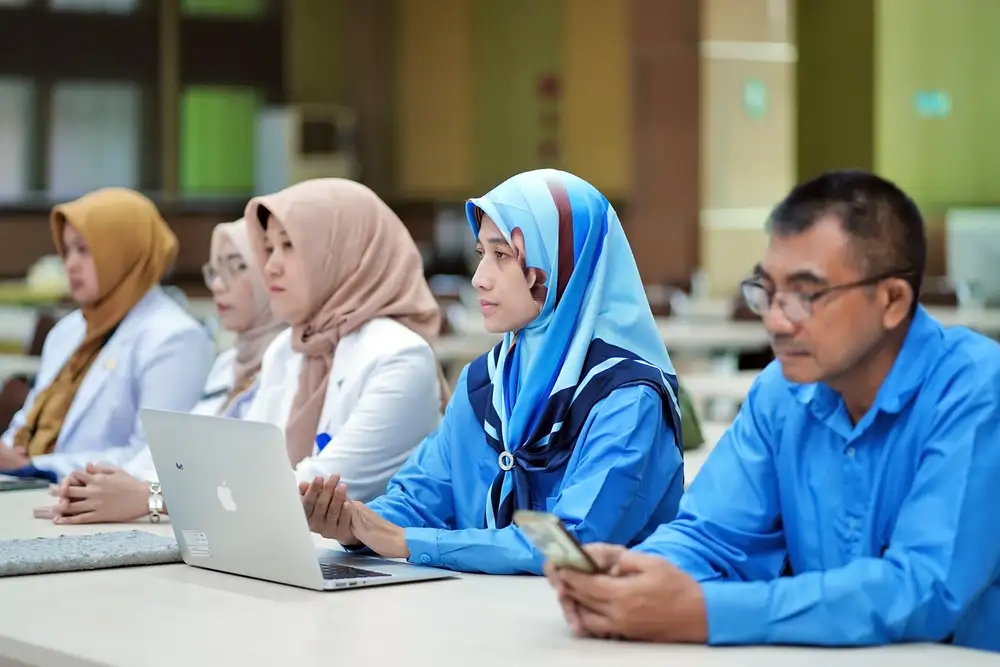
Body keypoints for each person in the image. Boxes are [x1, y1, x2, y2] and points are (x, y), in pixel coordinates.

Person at [546, 169, 1000, 652]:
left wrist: (704, 613)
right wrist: (636, 576)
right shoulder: (782, 391)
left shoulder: (975, 388)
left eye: (806, 295)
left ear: (891, 300)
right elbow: (712, 536)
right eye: (767, 291)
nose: (778, 321)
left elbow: (922, 590)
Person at [300, 169, 686, 575]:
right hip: (489, 606)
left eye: (502, 255)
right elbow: (419, 498)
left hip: (591, 612)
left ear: (562, 264)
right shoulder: (485, 382)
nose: (479, 279)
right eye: (481, 253)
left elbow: (572, 545)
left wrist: (410, 542)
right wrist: (353, 524)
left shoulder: (627, 396)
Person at [48, 218, 285, 524]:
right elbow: (175, 451)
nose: (217, 284)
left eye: (238, 267)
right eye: (215, 271)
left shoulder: (291, 362)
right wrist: (100, 486)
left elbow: (261, 486)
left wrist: (147, 497)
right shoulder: (229, 364)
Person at [243, 178, 446, 502]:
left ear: (344, 254)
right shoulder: (288, 347)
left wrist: (182, 491)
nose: (270, 267)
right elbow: (243, 461)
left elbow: (319, 490)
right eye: (268, 249)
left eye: (289, 245)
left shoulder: (399, 355)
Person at [0, 188, 214, 482]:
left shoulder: (175, 339)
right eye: (67, 250)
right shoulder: (70, 329)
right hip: (28, 487)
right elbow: (27, 426)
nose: (71, 264)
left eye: (84, 250)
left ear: (124, 253)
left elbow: (155, 457)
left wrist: (36, 466)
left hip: (90, 498)